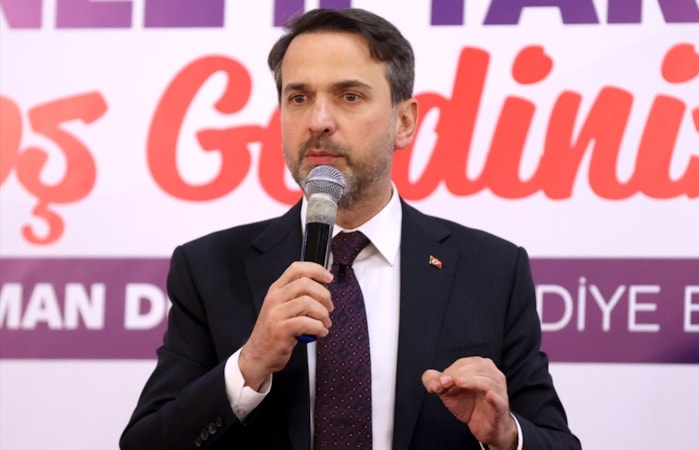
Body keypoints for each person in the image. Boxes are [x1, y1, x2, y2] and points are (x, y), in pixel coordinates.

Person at [120, 7, 580, 450]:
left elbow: (556, 441)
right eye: (299, 98)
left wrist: (505, 436)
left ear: (404, 122)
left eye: (349, 96)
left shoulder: (492, 270)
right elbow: (145, 442)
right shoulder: (208, 268)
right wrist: (249, 364)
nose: (318, 121)